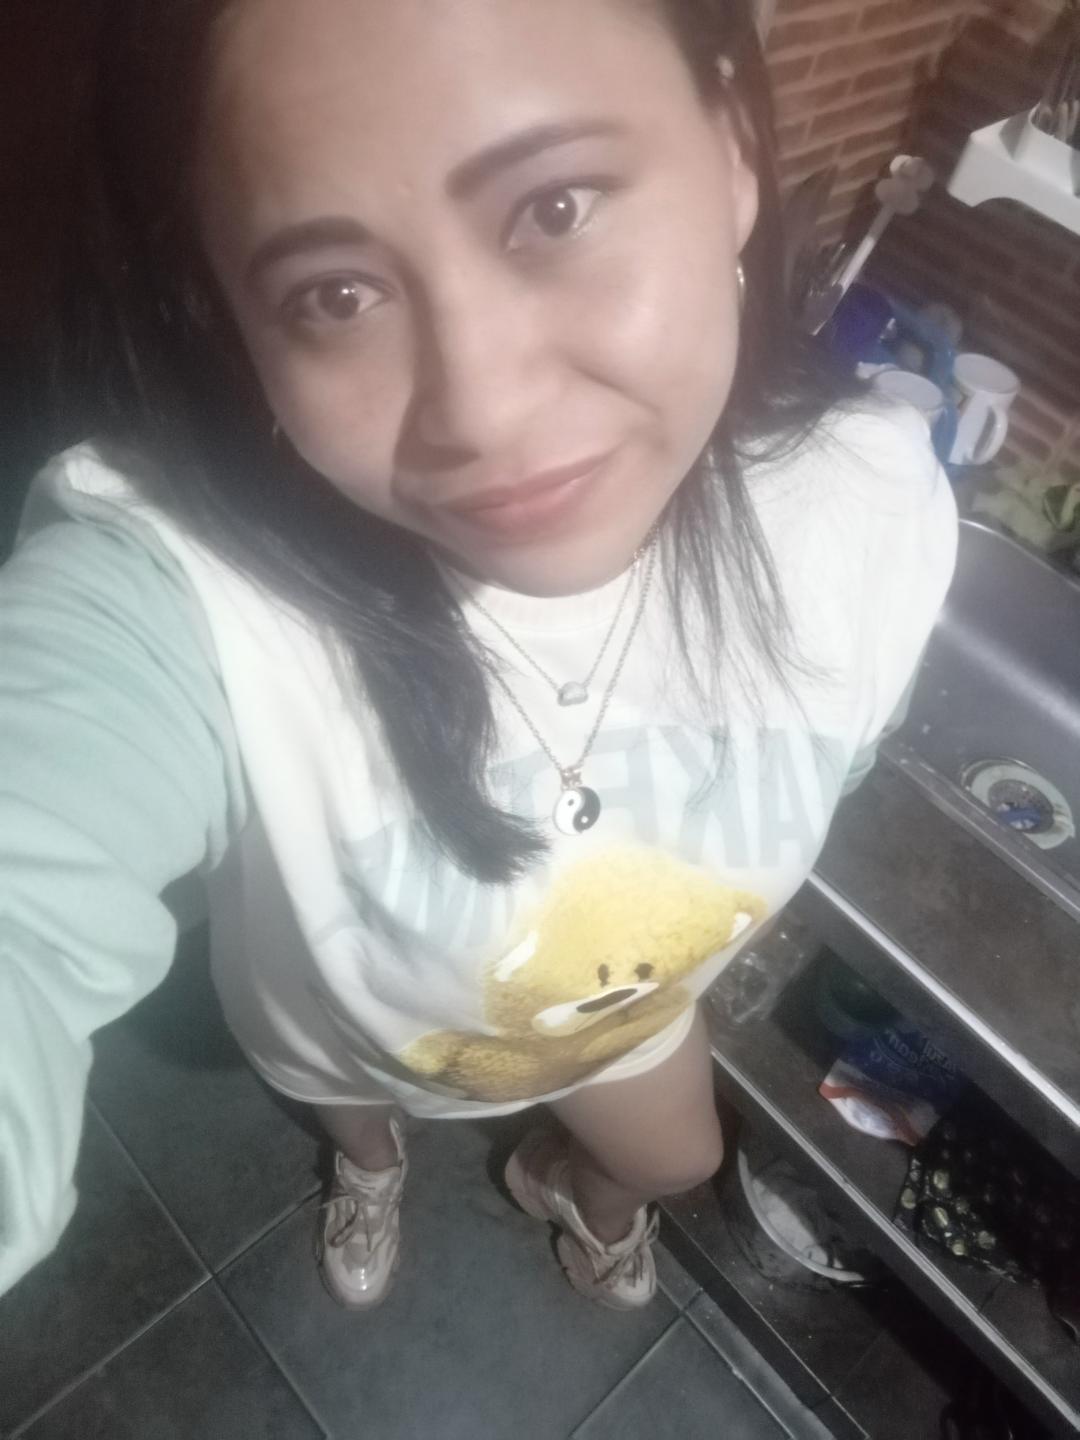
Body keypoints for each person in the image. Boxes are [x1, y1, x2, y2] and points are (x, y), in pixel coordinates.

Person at [0, 0, 957, 1312]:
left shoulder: (873, 514)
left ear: (735, 140)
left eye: (556, 208)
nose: (484, 409)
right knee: (353, 1109)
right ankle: (368, 1169)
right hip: (332, 1031)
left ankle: (567, 1187)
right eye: (334, 296)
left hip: (610, 1020)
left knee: (678, 1159)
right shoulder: (190, 593)